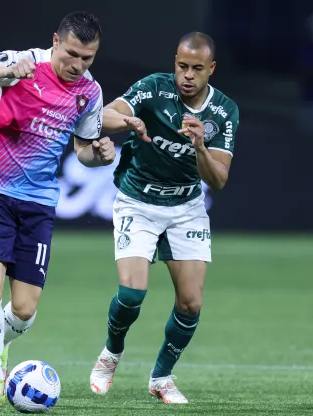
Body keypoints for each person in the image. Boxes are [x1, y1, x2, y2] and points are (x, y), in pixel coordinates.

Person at [0, 11, 115, 409]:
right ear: (56, 41)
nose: (78, 66)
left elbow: (81, 149)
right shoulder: (23, 62)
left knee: (23, 313)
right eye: (73, 54)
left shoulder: (89, 94)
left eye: (88, 58)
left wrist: (100, 154)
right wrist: (5, 70)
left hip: (39, 204)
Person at [89, 32, 240, 404]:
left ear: (212, 69)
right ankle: (111, 353)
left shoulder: (224, 112)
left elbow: (218, 180)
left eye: (197, 69)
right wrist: (127, 122)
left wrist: (201, 146)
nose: (187, 75)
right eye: (182, 66)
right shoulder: (154, 90)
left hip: (186, 208)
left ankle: (161, 377)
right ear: (174, 62)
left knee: (190, 303)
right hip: (137, 201)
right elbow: (102, 114)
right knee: (131, 293)